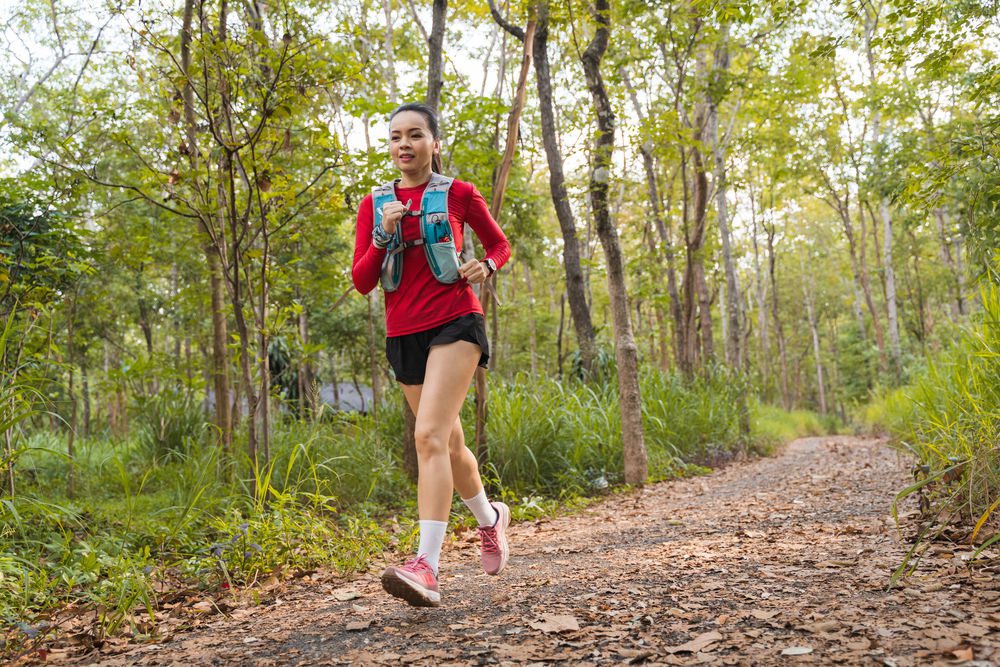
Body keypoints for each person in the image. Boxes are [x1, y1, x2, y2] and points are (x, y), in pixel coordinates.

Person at [351, 102, 512, 607]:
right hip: (404, 333)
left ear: (434, 143)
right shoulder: (374, 204)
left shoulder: (459, 193)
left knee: (428, 436)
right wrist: (383, 234)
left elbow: (501, 245)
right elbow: (361, 281)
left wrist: (486, 265)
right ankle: (491, 519)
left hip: (456, 321)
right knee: (449, 441)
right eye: (396, 136)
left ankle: (428, 565)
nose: (405, 144)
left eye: (416, 135)